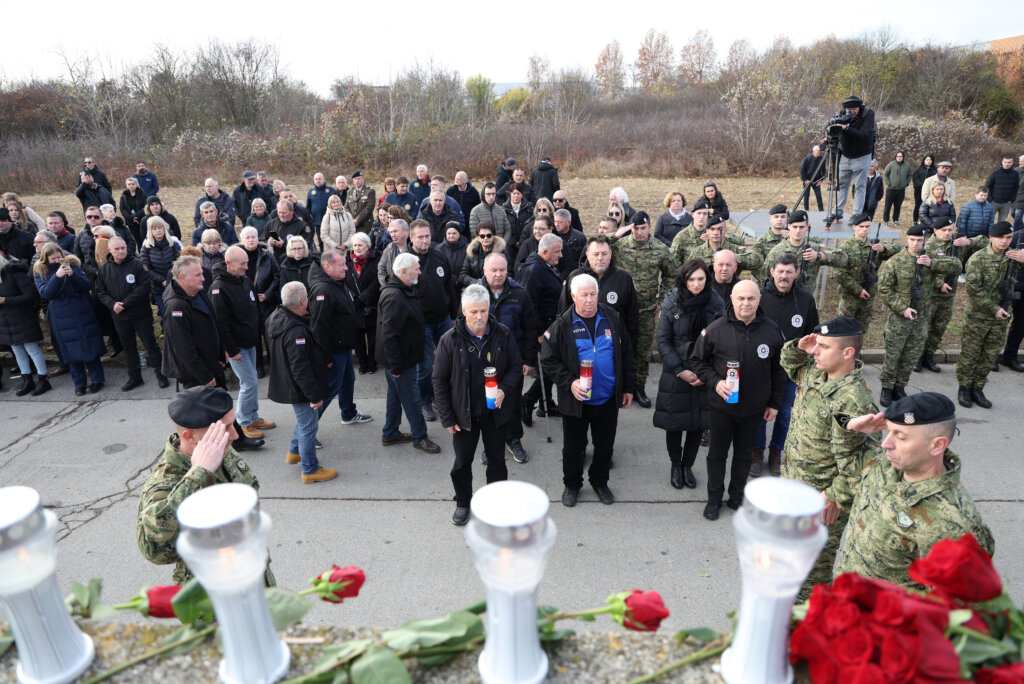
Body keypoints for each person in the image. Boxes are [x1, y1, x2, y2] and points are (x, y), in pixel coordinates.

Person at [835, 392, 994, 589]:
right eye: (889, 432)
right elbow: (849, 465)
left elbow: (956, 611)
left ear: (937, 445)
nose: (886, 444)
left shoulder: (952, 525)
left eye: (900, 437)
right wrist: (850, 428)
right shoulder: (887, 465)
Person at [779, 317, 878, 599]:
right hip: (793, 486)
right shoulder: (814, 372)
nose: (816, 351)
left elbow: (866, 460)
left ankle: (809, 627)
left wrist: (836, 496)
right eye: (816, 345)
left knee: (812, 573)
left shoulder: (855, 401)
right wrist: (798, 347)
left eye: (824, 346)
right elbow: (789, 363)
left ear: (847, 353)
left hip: (821, 500)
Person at [136, 386, 275, 585]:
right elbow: (153, 550)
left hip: (256, 576)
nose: (235, 435)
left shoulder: (220, 449)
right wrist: (198, 474)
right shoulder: (165, 480)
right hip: (213, 599)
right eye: (224, 428)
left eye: (231, 424)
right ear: (189, 437)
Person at [690, 279, 787, 521]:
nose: (746, 303)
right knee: (717, 455)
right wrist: (715, 381)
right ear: (731, 299)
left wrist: (774, 403)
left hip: (754, 409)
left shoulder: (772, 331)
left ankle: (736, 496)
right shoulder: (715, 330)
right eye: (741, 298)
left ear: (759, 300)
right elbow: (697, 362)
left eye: (751, 298)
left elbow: (780, 370)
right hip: (721, 407)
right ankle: (714, 499)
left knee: (744, 456)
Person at [541, 273, 635, 508]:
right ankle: (572, 485)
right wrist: (570, 382)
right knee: (573, 448)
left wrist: (628, 387)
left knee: (605, 447)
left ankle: (600, 482)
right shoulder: (562, 325)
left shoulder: (612, 318)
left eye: (593, 294)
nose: (590, 299)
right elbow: (548, 360)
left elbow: (626, 353)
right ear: (573, 296)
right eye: (584, 295)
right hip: (576, 402)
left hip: (607, 398)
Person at [434, 284, 523, 525]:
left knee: (497, 463)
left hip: (496, 414)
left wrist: (504, 389)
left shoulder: (502, 333)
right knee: (462, 463)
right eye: (473, 312)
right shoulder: (449, 339)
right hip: (464, 415)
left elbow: (516, 367)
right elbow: (439, 380)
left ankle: (495, 504)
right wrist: (447, 417)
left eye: (483, 311)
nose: (479, 317)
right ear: (463, 311)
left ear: (489, 309)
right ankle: (463, 502)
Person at [160, 254, 263, 451]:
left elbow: (213, 324)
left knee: (222, 405)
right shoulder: (176, 306)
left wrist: (221, 351)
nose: (203, 278)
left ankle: (236, 439)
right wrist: (205, 376)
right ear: (183, 278)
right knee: (204, 412)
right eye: (198, 275)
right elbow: (184, 349)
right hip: (196, 372)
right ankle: (198, 448)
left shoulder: (197, 293)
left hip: (211, 363)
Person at [654, 259, 725, 490]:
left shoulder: (716, 302)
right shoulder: (672, 300)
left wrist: (707, 374)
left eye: (700, 279)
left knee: (697, 423)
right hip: (677, 372)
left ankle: (688, 466)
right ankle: (676, 464)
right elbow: (663, 341)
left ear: (707, 279)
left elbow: (721, 341)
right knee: (675, 423)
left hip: (705, 372)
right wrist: (679, 370)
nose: (696, 284)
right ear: (684, 279)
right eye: (691, 279)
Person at [751, 252, 819, 477]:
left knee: (785, 413)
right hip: (763, 368)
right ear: (771, 272)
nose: (784, 276)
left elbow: (812, 333)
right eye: (780, 271)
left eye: (789, 272)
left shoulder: (806, 299)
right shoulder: (760, 297)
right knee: (760, 410)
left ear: (797, 273)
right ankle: (757, 450)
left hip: (792, 369)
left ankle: (777, 451)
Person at [876, 225, 959, 406]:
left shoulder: (931, 258)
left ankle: (900, 386)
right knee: (893, 355)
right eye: (912, 240)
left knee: (911, 356)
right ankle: (887, 388)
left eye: (920, 240)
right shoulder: (896, 261)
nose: (916, 243)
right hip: (899, 320)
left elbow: (956, 265)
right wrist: (902, 308)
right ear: (907, 240)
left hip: (921, 320)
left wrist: (931, 263)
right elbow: (884, 289)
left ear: (926, 241)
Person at [266, 281, 337, 484]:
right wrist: (314, 395)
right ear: (303, 301)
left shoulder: (276, 317)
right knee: (308, 427)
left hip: (290, 384)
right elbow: (301, 368)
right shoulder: (296, 331)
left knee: (304, 422)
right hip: (300, 389)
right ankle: (310, 469)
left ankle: (294, 452)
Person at [608, 211, 676, 409]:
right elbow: (596, 245)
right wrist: (617, 234)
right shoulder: (620, 245)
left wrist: (662, 301)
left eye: (643, 228)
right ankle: (618, 386)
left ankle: (638, 387)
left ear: (649, 227)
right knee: (615, 348)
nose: (639, 233)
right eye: (635, 229)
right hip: (620, 310)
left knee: (642, 351)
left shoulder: (659, 249)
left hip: (646, 310)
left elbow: (672, 275)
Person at [376, 252, 441, 453]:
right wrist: (396, 365)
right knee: (412, 398)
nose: (420, 272)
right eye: (416, 268)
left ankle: (390, 433)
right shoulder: (395, 296)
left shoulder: (403, 289)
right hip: (400, 360)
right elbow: (389, 334)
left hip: (402, 357)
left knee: (395, 395)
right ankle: (420, 437)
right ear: (404, 271)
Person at [956, 221, 1024, 408]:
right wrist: (994, 308)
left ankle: (978, 387)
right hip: (979, 316)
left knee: (990, 354)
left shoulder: (1013, 257)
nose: (1004, 241)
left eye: (1008, 238)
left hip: (1001, 317)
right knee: (971, 354)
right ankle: (964, 388)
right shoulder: (978, 259)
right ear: (991, 238)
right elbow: (974, 289)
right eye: (1000, 238)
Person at [478, 252, 538, 464]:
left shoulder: (520, 294)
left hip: (513, 361)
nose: (498, 274)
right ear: (484, 271)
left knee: (511, 404)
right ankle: (490, 444)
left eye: (502, 270)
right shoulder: (474, 293)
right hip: (483, 362)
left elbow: (531, 329)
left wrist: (529, 360)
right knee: (488, 405)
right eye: (493, 270)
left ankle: (514, 440)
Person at [211, 246, 276, 440]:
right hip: (237, 347)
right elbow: (221, 324)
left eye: (247, 263)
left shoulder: (245, 281)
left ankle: (253, 416)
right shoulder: (219, 288)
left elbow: (254, 308)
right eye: (243, 264)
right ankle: (243, 422)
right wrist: (231, 350)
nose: (247, 267)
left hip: (251, 342)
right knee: (249, 382)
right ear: (229, 263)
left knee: (251, 381)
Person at [308, 248, 373, 430]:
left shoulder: (336, 282)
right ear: (327, 266)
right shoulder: (323, 289)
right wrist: (326, 357)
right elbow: (319, 327)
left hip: (343, 346)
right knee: (328, 390)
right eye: (342, 265)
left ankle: (348, 413)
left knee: (347, 381)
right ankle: (305, 433)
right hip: (333, 351)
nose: (347, 268)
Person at [95, 236, 167, 391]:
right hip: (119, 317)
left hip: (140, 314)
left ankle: (161, 375)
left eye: (123, 248)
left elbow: (144, 287)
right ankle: (135, 378)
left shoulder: (138, 264)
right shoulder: (103, 269)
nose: (121, 251)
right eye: (117, 249)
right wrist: (112, 304)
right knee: (129, 348)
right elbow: (100, 291)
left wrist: (125, 304)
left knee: (151, 346)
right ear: (110, 251)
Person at [33, 244, 106, 394]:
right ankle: (79, 384)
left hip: (81, 310)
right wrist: (57, 276)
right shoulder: (41, 273)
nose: (57, 260)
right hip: (61, 314)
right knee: (70, 350)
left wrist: (72, 275)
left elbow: (86, 286)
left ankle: (97, 379)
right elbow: (46, 293)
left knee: (89, 345)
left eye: (59, 257)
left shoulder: (74, 266)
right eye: (53, 259)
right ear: (46, 259)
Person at [919, 217, 985, 373]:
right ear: (935, 230)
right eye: (944, 230)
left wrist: (969, 242)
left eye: (950, 230)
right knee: (924, 327)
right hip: (930, 295)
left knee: (939, 327)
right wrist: (939, 284)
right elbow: (922, 273)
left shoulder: (957, 244)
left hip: (948, 296)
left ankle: (929, 356)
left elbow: (986, 242)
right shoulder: (928, 246)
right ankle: (918, 357)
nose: (948, 233)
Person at [406, 220, 455, 422]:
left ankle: (441, 396)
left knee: (448, 361)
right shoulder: (406, 261)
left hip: (443, 319)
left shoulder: (438, 255)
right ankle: (425, 401)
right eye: (421, 237)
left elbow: (449, 287)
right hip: (421, 323)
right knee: (425, 366)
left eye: (427, 236)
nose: (425, 240)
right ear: (411, 238)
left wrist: (453, 316)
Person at [519, 233, 564, 422]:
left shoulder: (545, 265)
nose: (561, 255)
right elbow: (528, 304)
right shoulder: (534, 270)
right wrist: (538, 332)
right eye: (557, 251)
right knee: (550, 367)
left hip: (550, 325)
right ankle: (528, 400)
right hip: (542, 328)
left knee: (549, 366)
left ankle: (546, 403)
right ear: (544, 251)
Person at [834, 213, 902, 334]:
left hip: (869, 293)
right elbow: (840, 274)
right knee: (844, 327)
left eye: (867, 226)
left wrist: (884, 248)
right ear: (854, 227)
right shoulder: (846, 247)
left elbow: (901, 250)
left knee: (862, 327)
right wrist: (858, 290)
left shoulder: (875, 245)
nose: (864, 229)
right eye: (861, 226)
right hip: (850, 295)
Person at [0, 253, 52, 396]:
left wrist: (6, 300)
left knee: (32, 350)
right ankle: (27, 380)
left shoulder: (15, 273)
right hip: (5, 322)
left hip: (22, 318)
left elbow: (30, 295)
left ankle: (43, 379)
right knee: (17, 352)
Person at [764, 210, 847, 289]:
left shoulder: (814, 247)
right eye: (795, 227)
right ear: (789, 226)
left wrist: (819, 255)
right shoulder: (777, 251)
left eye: (801, 227)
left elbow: (843, 259)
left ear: (808, 227)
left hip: (806, 299)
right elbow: (764, 276)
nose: (798, 231)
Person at [831, 95, 877, 221]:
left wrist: (846, 128)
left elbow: (863, 134)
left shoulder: (868, 114)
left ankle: (856, 214)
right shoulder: (843, 114)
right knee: (841, 184)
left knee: (860, 186)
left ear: (859, 107)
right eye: (849, 109)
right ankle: (837, 211)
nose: (851, 111)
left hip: (862, 155)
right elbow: (836, 131)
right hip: (846, 155)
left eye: (854, 109)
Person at [347, 233, 380, 374]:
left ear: (367, 245)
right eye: (355, 245)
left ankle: (372, 363)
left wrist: (364, 297)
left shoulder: (375, 259)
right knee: (357, 338)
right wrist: (354, 297)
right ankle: (362, 364)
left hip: (371, 305)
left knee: (372, 339)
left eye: (360, 245)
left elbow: (377, 281)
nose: (357, 248)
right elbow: (343, 281)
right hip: (354, 305)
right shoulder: (347, 260)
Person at [749, 205, 789, 282]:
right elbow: (757, 267)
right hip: (767, 284)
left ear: (787, 219)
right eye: (776, 217)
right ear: (770, 219)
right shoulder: (761, 241)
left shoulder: (791, 238)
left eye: (783, 217)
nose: (779, 219)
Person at [459, 222, 506, 288]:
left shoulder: (502, 252)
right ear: (478, 238)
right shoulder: (471, 252)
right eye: (482, 236)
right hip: (476, 290)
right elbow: (462, 275)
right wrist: (477, 283)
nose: (485, 238)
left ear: (493, 236)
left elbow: (508, 272)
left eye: (488, 235)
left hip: (496, 288)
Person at [986, 155, 1020, 224]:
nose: (1007, 164)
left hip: (1006, 203)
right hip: (993, 202)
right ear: (1002, 162)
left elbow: (1016, 188)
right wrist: (989, 199)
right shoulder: (995, 173)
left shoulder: (1015, 174)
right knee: (988, 220)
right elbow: (987, 186)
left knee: (1001, 222)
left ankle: (998, 234)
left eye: (1009, 162)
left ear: (1012, 163)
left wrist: (1012, 199)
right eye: (1005, 162)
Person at [377, 218, 411, 287]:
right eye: (391, 232)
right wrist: (388, 287)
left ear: (406, 231)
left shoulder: (414, 248)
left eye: (395, 231)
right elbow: (381, 270)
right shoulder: (388, 248)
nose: (393, 235)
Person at [882, 151, 912, 226]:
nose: (899, 158)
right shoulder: (891, 164)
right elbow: (885, 174)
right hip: (891, 190)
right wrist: (888, 183)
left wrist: (906, 183)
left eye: (901, 156)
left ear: (903, 157)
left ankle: (895, 221)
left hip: (901, 190)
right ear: (895, 157)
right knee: (888, 206)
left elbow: (909, 175)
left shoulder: (907, 166)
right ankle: (886, 221)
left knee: (898, 206)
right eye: (898, 156)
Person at [119, 177, 148, 247]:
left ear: (136, 185)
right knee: (137, 240)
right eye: (129, 184)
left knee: (145, 239)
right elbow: (122, 208)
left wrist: (136, 216)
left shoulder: (142, 194)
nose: (131, 185)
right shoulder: (124, 196)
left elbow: (146, 207)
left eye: (133, 184)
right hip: (131, 222)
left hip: (142, 220)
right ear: (127, 185)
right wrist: (130, 218)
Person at [799, 145, 826, 211]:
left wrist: (821, 180)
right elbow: (802, 169)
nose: (819, 152)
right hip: (807, 180)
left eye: (820, 151)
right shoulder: (808, 158)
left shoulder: (822, 159)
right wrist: (805, 179)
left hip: (817, 181)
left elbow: (824, 171)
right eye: (818, 151)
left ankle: (821, 210)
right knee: (806, 195)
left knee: (819, 196)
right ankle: (806, 210)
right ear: (814, 151)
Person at [912, 153, 937, 223]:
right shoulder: (918, 169)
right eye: (927, 160)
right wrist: (923, 186)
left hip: (931, 192)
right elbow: (915, 180)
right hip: (919, 191)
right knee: (918, 205)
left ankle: (927, 220)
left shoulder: (935, 170)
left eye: (930, 160)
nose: (928, 161)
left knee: (929, 206)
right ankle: (915, 221)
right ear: (924, 160)